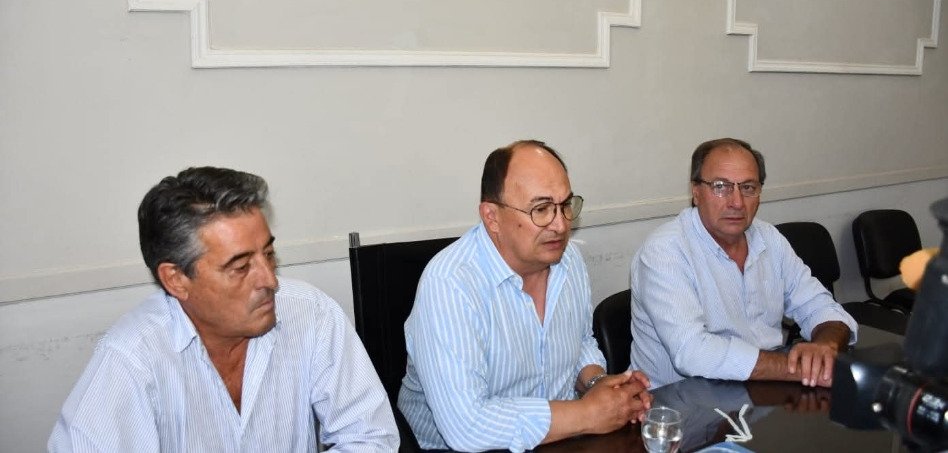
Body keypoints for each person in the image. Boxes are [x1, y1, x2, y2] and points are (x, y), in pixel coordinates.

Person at [49, 167, 398, 451]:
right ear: (176, 280)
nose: (270, 280)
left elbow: (370, 436)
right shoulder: (131, 360)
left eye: (269, 254)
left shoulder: (310, 314)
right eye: (240, 267)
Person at [399, 140, 652, 452]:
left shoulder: (569, 260)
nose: (560, 225)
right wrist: (588, 414)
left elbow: (580, 342)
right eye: (541, 209)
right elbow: (467, 427)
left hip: (559, 439)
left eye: (565, 205)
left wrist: (599, 386)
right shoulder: (451, 284)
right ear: (492, 217)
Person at [630, 138, 857, 389]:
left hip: (761, 389)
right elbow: (692, 352)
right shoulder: (664, 251)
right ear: (696, 192)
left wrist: (826, 346)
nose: (737, 202)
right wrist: (797, 368)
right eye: (721, 186)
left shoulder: (769, 238)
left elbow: (819, 305)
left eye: (748, 187)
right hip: (679, 401)